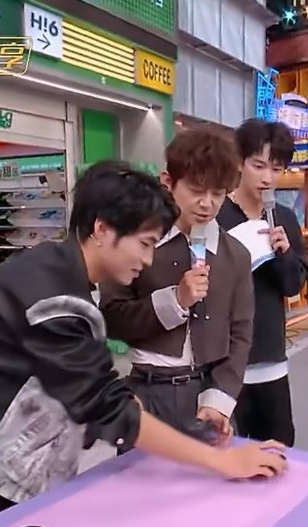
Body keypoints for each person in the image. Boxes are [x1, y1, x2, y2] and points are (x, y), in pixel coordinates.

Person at [0, 162, 287, 527]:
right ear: (102, 228)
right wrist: (223, 462)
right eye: (144, 244)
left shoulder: (63, 273)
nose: (148, 260)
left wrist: (190, 433)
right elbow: (107, 407)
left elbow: (93, 385)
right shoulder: (55, 299)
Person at [100, 128, 254, 440]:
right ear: (168, 182)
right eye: (197, 190)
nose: (207, 204)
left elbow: (240, 333)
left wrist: (220, 400)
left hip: (207, 395)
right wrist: (175, 301)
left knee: (210, 471)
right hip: (146, 391)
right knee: (143, 472)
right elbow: (111, 318)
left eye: (218, 193)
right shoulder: (136, 243)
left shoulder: (235, 255)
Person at [216, 119, 308, 447]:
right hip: (223, 360)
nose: (267, 178)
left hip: (270, 356)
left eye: (276, 168)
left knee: (279, 446)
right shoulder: (217, 215)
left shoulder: (284, 218)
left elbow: (292, 286)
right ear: (240, 162)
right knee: (225, 449)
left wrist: (284, 254)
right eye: (258, 166)